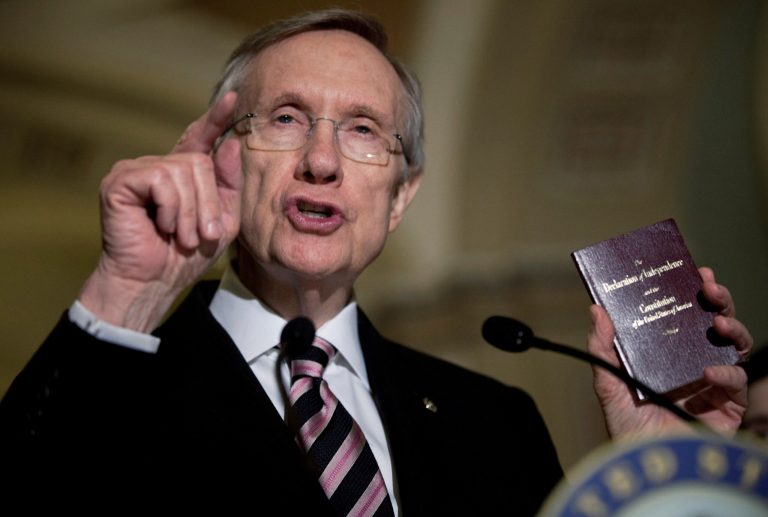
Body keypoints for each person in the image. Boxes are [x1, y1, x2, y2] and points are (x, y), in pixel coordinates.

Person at [0, 8, 752, 515]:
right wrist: (124, 297)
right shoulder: (119, 380)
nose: (321, 160)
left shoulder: (495, 424)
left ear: (400, 196)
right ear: (226, 153)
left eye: (363, 131)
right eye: (287, 119)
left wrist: (667, 479)